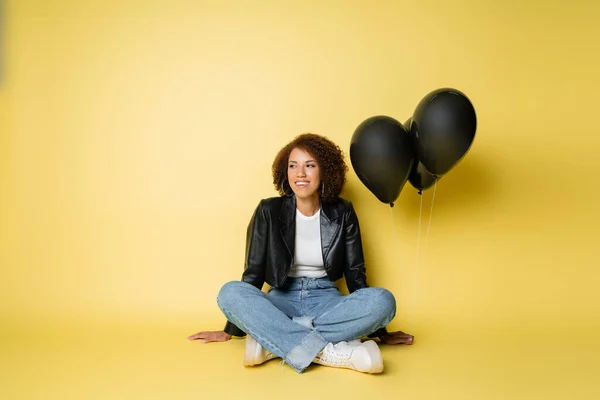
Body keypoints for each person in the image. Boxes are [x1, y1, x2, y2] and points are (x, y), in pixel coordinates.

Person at [188, 133, 414, 374]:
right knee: (229, 293)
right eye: (293, 166)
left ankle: (274, 344)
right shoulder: (268, 210)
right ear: (285, 172)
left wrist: (381, 330)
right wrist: (230, 330)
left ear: (325, 171)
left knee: (383, 301)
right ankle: (330, 351)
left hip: (326, 300)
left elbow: (355, 274)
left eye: (310, 165)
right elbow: (252, 274)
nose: (300, 174)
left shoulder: (343, 211)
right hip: (280, 301)